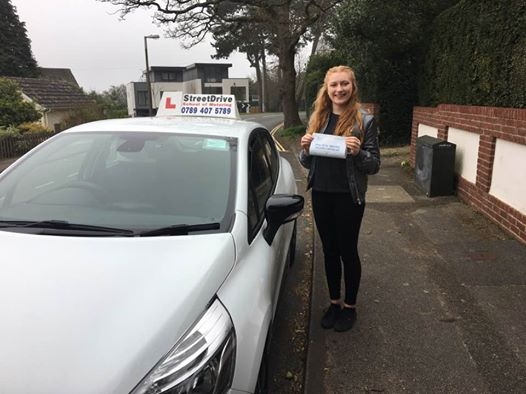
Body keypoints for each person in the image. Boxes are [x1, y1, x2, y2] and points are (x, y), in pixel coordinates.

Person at [299, 65, 380, 332]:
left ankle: (350, 307)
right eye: (334, 85)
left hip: (349, 196)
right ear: (327, 88)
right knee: (329, 251)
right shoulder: (319, 118)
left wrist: (359, 153)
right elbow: (307, 162)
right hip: (321, 194)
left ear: (352, 87)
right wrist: (305, 148)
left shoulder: (364, 121)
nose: (339, 89)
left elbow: (374, 165)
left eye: (344, 84)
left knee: (348, 251)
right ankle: (334, 303)